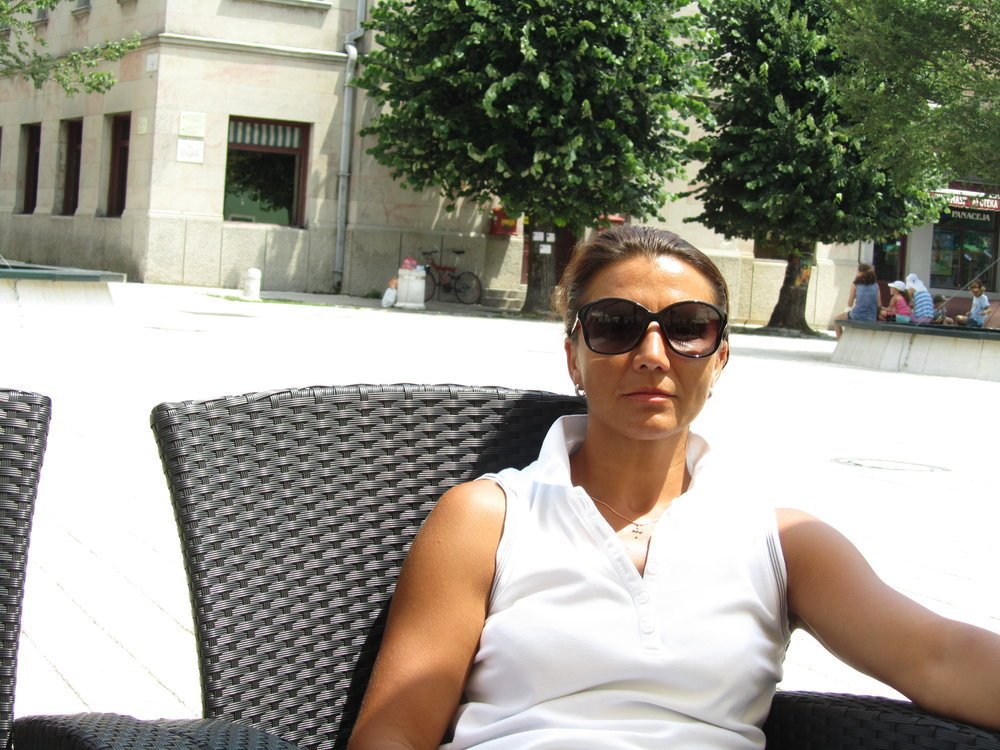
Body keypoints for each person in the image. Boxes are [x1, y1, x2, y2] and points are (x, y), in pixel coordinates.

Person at [349, 225, 1000, 750]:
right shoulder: (487, 518)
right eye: (614, 324)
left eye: (688, 326)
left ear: (720, 358)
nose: (653, 354)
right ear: (573, 356)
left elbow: (938, 657)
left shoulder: (783, 543)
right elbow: (393, 734)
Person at [834, 263, 880, 337]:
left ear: (860, 273)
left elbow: (850, 304)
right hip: (871, 317)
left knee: (836, 320)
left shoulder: (855, 284)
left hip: (857, 315)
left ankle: (840, 340)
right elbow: (879, 304)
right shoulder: (876, 285)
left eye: (857, 271)